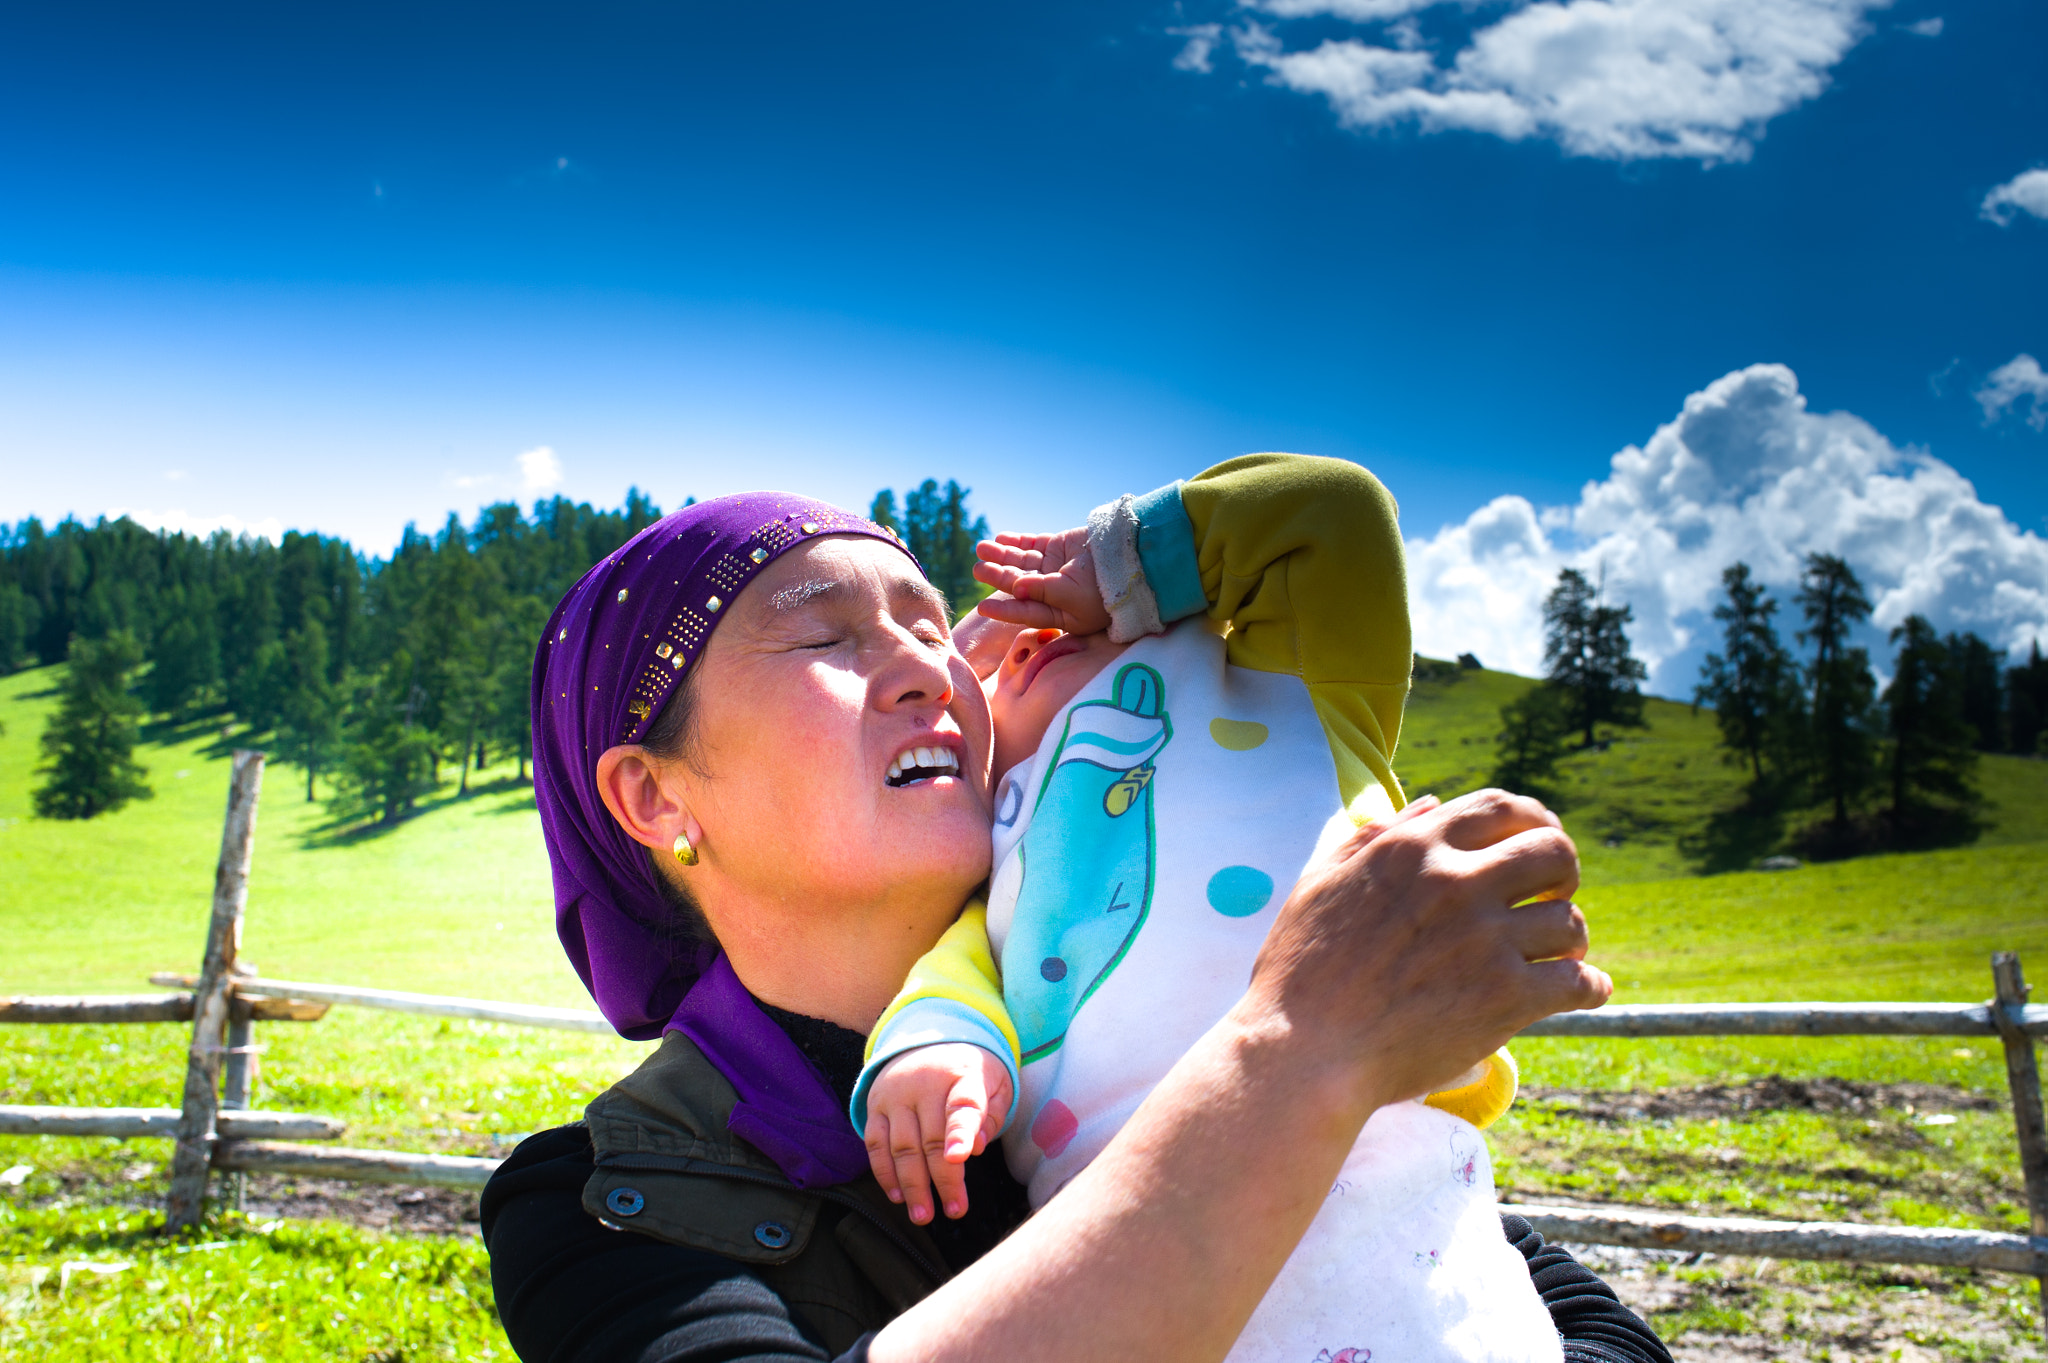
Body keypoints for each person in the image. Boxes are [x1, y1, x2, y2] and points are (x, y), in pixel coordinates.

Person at [480, 487, 1670, 1363]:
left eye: (930, 625)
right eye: (824, 634)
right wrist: (1298, 1045)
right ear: (654, 795)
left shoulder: (1150, 1003)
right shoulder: (602, 1198)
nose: (922, 669)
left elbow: (1561, 1319)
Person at [853, 454, 1552, 1362]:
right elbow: (955, 978)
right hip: (1136, 1231)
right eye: (993, 659)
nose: (1026, 640)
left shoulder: (1290, 689)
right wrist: (939, 1047)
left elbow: (1334, 519)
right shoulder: (998, 856)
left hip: (1382, 1166)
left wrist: (1118, 570)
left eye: (1095, 633)